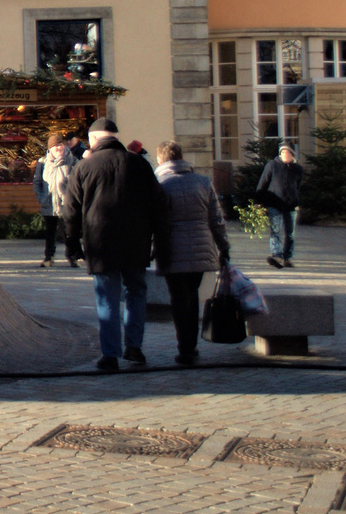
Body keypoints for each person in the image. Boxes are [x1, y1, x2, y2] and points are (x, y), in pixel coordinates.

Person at [64, 117, 167, 372]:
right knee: (136, 292)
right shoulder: (139, 164)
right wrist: (158, 238)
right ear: (116, 137)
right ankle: (134, 347)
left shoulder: (84, 167)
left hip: (100, 242)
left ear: (93, 139)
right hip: (136, 240)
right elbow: (159, 204)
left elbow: (71, 211)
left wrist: (72, 244)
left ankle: (109, 354)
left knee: (106, 298)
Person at [154, 140, 232, 365]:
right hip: (201, 248)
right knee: (192, 297)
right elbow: (216, 219)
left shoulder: (160, 184)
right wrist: (223, 246)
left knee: (179, 301)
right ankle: (192, 346)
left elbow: (155, 221)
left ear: (161, 159)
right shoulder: (202, 182)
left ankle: (185, 348)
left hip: (172, 250)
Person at [256, 144, 304, 269]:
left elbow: (298, 186)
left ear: (292, 155)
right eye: (282, 152)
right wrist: (258, 201)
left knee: (290, 234)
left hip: (291, 204)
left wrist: (295, 199)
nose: (284, 155)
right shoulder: (272, 165)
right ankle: (276, 255)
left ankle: (287, 258)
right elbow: (263, 183)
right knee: (275, 230)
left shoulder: (298, 169)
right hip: (274, 203)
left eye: (287, 153)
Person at [33, 133, 76, 267]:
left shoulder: (72, 161)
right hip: (49, 203)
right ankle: (48, 257)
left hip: (66, 204)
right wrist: (41, 198)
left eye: (60, 144)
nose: (58, 148)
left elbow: (78, 182)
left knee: (68, 232)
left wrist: (73, 199)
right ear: (50, 148)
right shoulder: (43, 162)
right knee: (50, 233)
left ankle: (72, 257)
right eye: (55, 145)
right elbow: (37, 182)